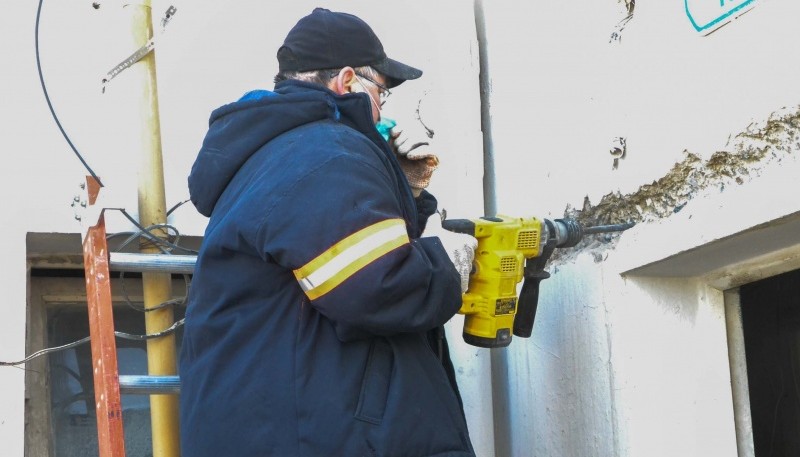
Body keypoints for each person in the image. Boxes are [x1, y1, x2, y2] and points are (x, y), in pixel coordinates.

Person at [180, 7, 477, 457]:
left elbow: (340, 258)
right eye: (382, 92)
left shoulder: (283, 153)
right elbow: (375, 286)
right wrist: (447, 264)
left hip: (283, 427)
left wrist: (407, 192)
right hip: (314, 436)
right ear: (347, 82)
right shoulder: (326, 153)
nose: (383, 108)